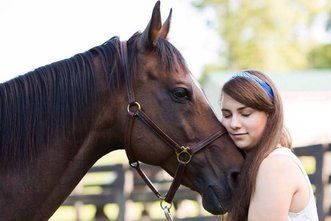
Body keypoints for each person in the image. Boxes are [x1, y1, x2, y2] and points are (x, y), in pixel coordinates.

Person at [219, 70, 318, 221]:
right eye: (227, 115)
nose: (233, 124)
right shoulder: (259, 162)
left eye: (245, 114)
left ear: (270, 114)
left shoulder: (275, 165)